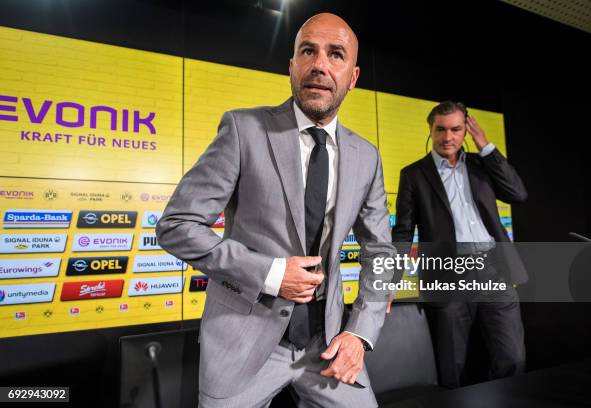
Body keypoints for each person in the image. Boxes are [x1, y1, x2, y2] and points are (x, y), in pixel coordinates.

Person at [156, 13, 395, 408]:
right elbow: (177, 225)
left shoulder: (366, 156)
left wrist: (360, 334)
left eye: (335, 54)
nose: (319, 64)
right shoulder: (242, 130)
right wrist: (269, 274)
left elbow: (383, 255)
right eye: (308, 51)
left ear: (352, 77)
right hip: (242, 344)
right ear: (292, 66)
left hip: (327, 345)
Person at [391, 101, 527, 388]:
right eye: (440, 129)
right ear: (430, 129)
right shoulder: (414, 174)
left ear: (466, 130)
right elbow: (403, 232)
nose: (447, 137)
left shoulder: (482, 165)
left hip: (494, 270)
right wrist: (389, 281)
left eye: (455, 129)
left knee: (512, 358)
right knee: (452, 369)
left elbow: (517, 193)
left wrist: (487, 147)